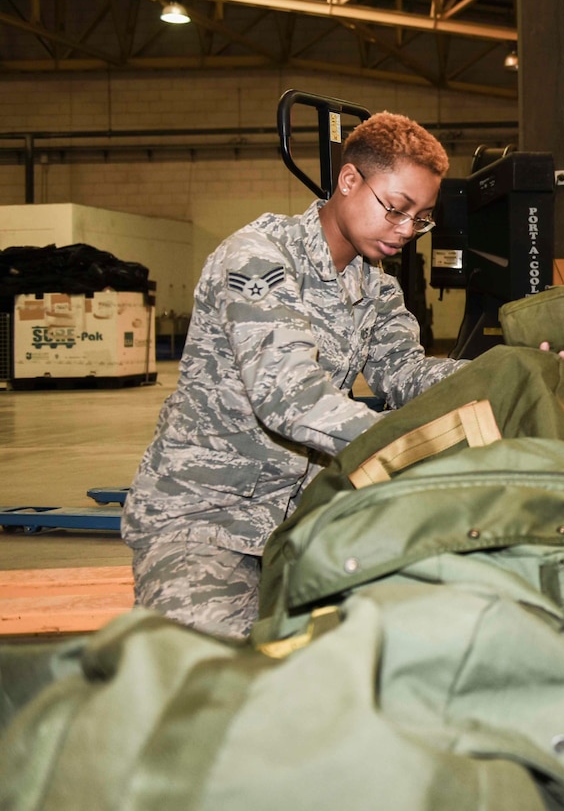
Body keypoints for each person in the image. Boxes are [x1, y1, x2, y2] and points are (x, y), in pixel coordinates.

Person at [123, 112, 465, 638]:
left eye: (421, 218)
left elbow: (407, 373)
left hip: (304, 525)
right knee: (215, 676)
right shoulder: (257, 260)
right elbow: (292, 402)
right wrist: (425, 441)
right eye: (396, 209)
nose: (406, 230)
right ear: (350, 181)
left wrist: (498, 372)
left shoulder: (374, 288)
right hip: (206, 522)